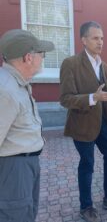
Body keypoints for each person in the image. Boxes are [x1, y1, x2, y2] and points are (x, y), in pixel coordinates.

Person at [59, 21, 107, 222]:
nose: (100, 42)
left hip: (103, 123)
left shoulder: (105, 66)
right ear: (83, 40)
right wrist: (93, 98)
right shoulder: (70, 63)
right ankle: (86, 206)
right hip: (82, 124)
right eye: (95, 38)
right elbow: (65, 99)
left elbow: (105, 96)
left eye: (102, 38)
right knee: (87, 164)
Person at [0, 29, 54, 222]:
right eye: (42, 54)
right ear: (28, 57)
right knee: (16, 215)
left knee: (26, 213)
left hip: (25, 164)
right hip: (13, 169)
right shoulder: (5, 89)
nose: (43, 59)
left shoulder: (16, 83)